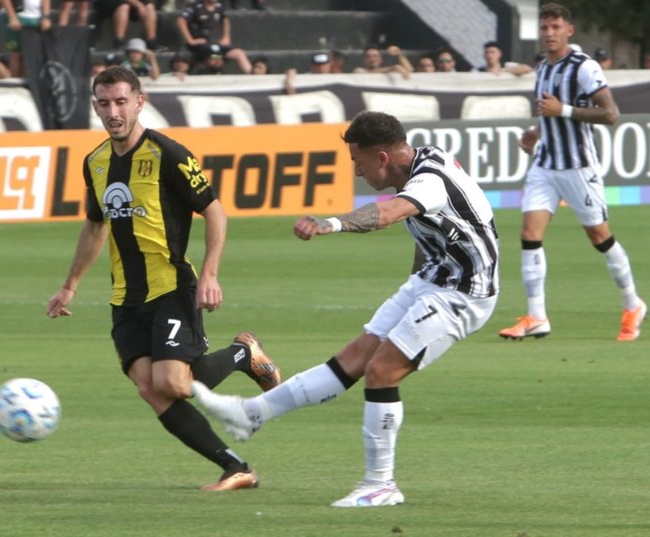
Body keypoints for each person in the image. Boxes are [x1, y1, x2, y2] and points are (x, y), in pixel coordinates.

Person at [192, 110, 500, 508]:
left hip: (464, 293)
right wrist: (415, 289)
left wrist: (330, 224)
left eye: (358, 160)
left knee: (382, 371)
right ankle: (253, 413)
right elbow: (433, 231)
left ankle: (380, 484)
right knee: (353, 358)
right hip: (432, 280)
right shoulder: (419, 163)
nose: (356, 171)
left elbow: (388, 214)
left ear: (382, 158)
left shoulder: (429, 182)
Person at [46, 66, 282, 491]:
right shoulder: (95, 162)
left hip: (172, 286)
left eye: (121, 101)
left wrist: (210, 273)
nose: (112, 112)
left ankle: (242, 355)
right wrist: (70, 285)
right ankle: (236, 467)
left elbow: (214, 210)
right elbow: (95, 226)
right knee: (150, 389)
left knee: (171, 382)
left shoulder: (168, 154)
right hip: (125, 297)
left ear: (140, 101)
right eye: (103, 103)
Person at [499, 2, 645, 342]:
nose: (549, 33)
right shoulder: (542, 67)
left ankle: (632, 303)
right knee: (529, 235)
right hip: (545, 164)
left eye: (555, 28)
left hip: (578, 166)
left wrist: (561, 109)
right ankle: (537, 316)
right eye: (544, 28)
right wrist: (537, 133)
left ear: (569, 31)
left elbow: (611, 115)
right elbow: (548, 112)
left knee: (600, 238)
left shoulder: (583, 67)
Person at [177, 0, 251, 74]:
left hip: (218, 44)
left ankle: (254, 78)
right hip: (203, 46)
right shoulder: (195, 7)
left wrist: (226, 37)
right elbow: (181, 21)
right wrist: (190, 40)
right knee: (215, 58)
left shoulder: (219, 6)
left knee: (239, 53)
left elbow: (225, 19)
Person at [0, 0, 51, 77]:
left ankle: (31, 80)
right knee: (16, 54)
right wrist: (12, 17)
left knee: (33, 53)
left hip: (37, 17)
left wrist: (46, 17)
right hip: (17, 15)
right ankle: (15, 80)